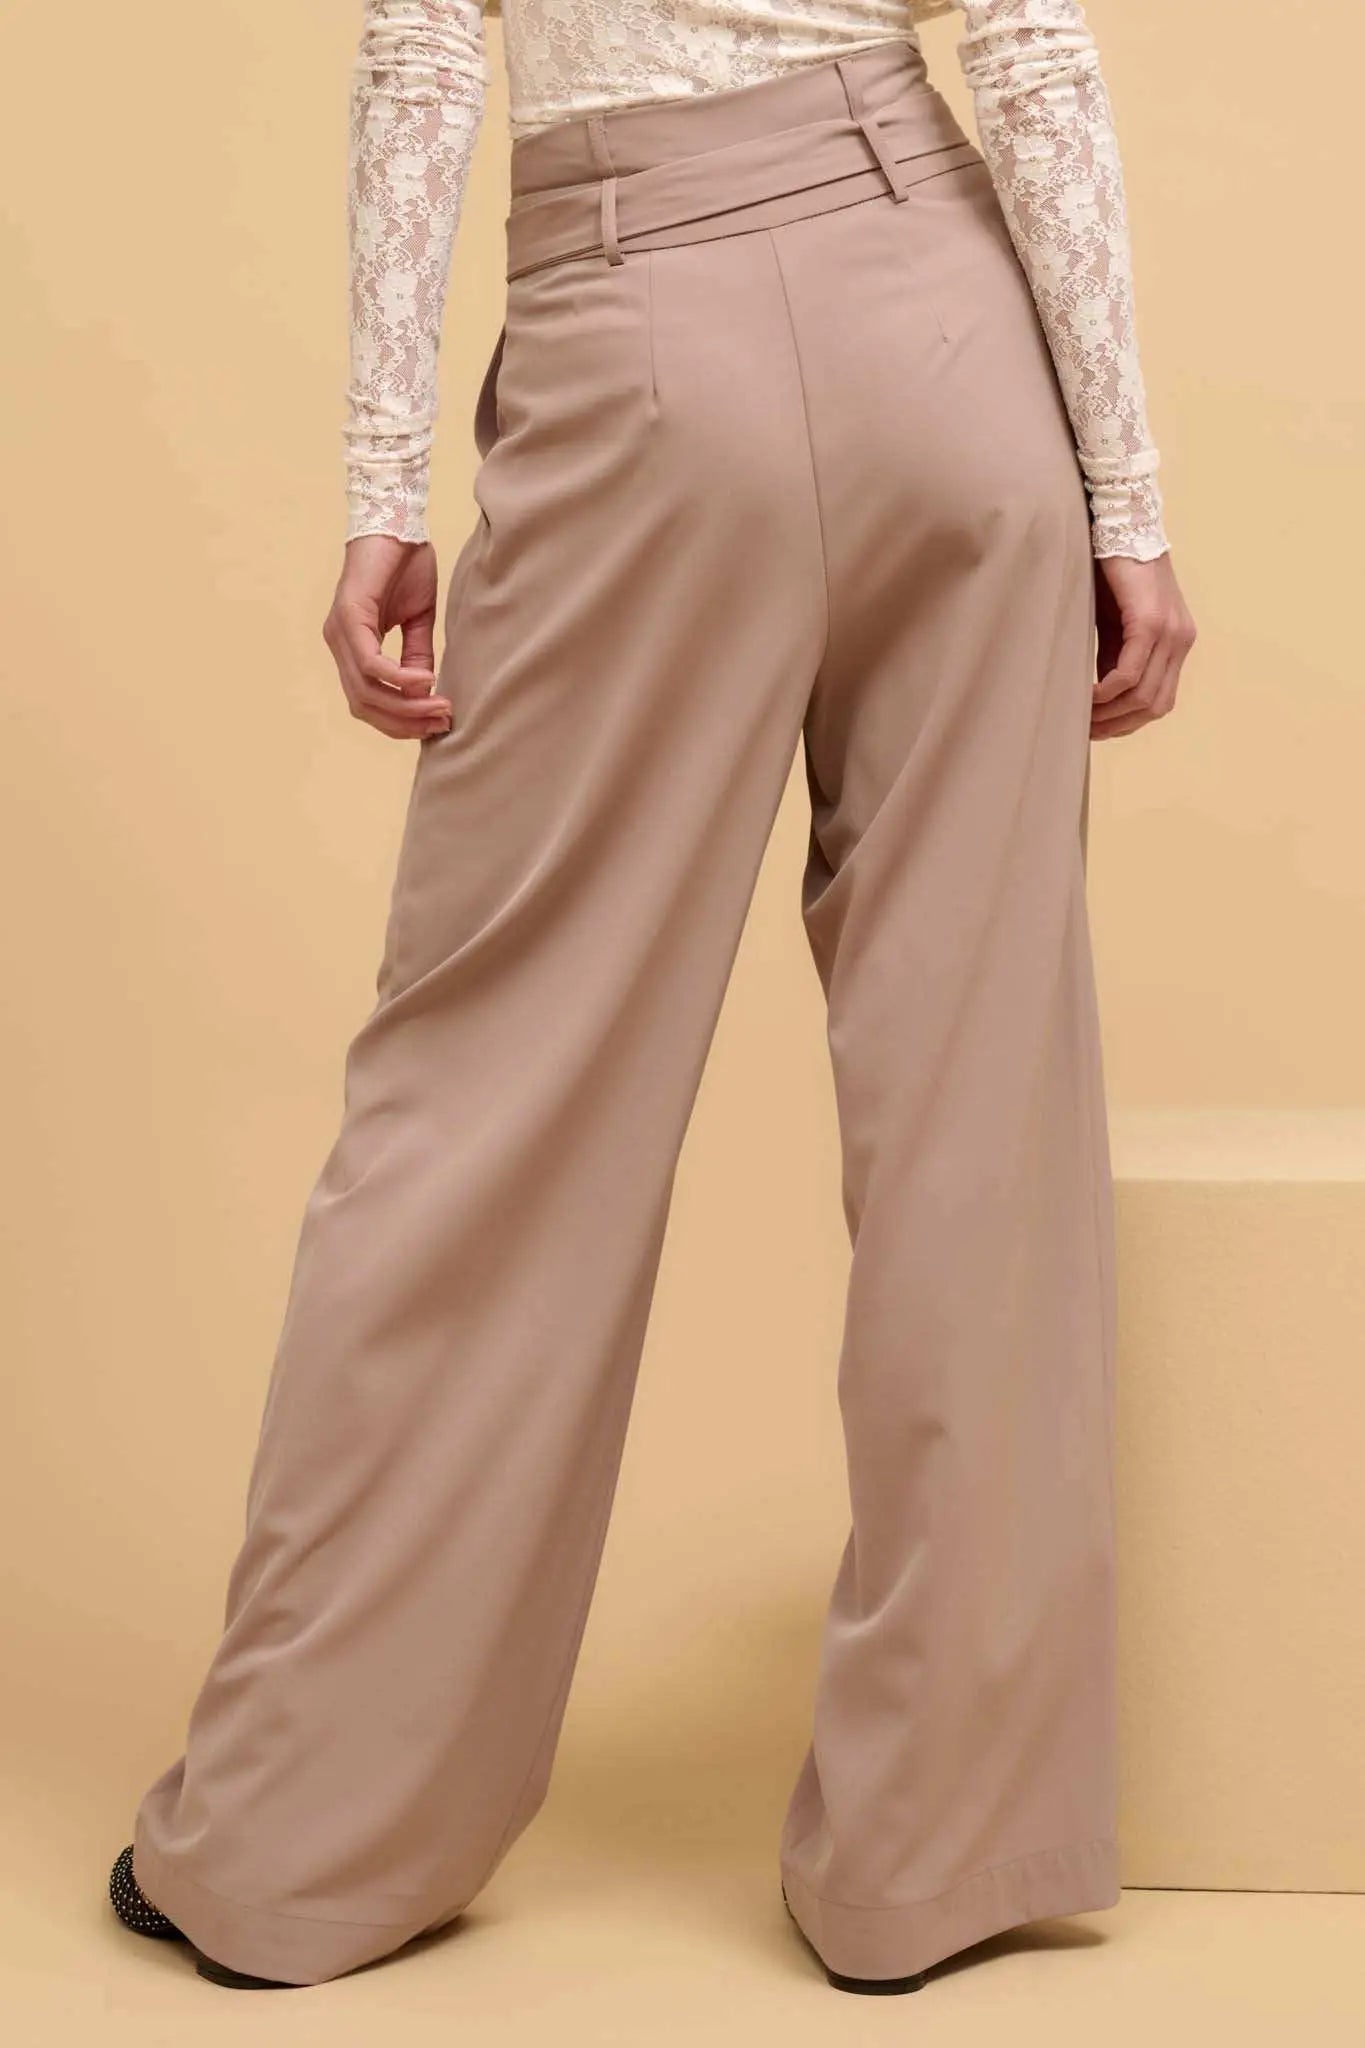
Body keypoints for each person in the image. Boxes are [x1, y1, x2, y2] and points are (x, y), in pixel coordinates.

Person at [108, 0, 1197, 1997]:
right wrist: (1121, 500)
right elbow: (1029, 50)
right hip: (950, 328)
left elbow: (425, 51)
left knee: (491, 1097)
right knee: (980, 1111)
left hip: (637, 325)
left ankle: (296, 1842)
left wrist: (379, 486)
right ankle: (941, 1854)